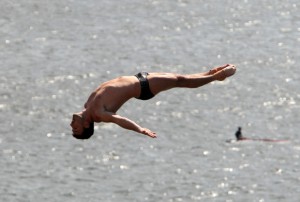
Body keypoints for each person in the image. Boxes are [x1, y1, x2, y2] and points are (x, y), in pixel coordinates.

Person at [70, 64, 236, 139]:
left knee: (180, 78)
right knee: (180, 81)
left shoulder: (87, 106)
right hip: (144, 87)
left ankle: (209, 73)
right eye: (76, 128)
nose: (72, 125)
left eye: (72, 127)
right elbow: (119, 120)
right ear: (86, 125)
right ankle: (216, 77)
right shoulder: (99, 114)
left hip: (139, 77)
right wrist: (139, 129)